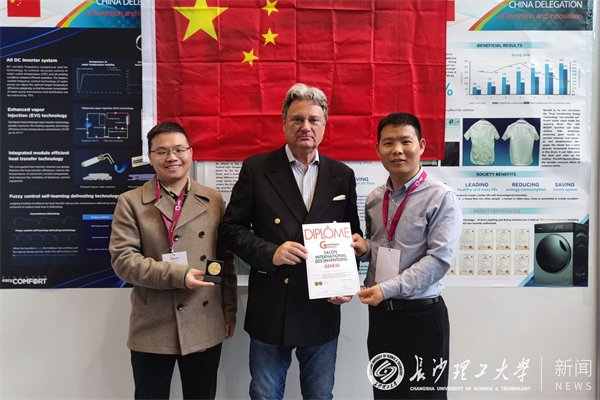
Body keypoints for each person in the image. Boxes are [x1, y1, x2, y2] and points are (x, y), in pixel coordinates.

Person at [219, 83, 362, 400]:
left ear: (324, 124)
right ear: (284, 123)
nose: (305, 126)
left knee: (320, 396)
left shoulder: (342, 175)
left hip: (322, 307)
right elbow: (230, 228)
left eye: (314, 119)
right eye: (297, 119)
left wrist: (345, 283)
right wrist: (270, 252)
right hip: (271, 306)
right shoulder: (257, 169)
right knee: (265, 395)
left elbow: (353, 238)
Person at [109, 121, 237, 400]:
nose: (172, 157)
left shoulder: (213, 200)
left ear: (191, 153)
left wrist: (229, 312)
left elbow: (223, 261)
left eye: (179, 149)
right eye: (162, 151)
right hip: (152, 323)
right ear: (150, 156)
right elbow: (124, 261)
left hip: (205, 319)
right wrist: (178, 275)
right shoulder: (130, 202)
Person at [352, 112, 462, 399]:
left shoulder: (441, 197)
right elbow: (382, 245)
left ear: (421, 146)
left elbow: (438, 261)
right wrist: (365, 249)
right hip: (381, 318)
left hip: (422, 317)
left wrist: (386, 289)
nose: (397, 150)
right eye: (388, 143)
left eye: (405, 141)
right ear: (378, 149)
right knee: (385, 394)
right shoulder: (374, 198)